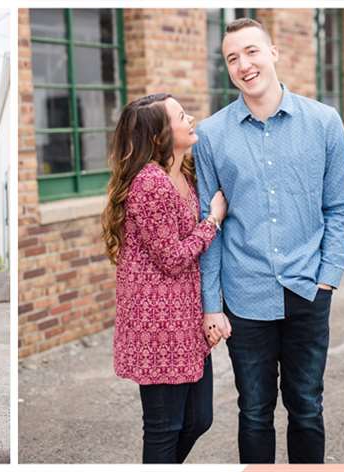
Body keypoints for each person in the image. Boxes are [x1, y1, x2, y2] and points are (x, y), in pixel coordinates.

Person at [193, 18, 344, 464]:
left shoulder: (323, 123)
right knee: (254, 412)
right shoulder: (210, 136)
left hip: (308, 289)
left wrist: (328, 277)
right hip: (245, 297)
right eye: (232, 58)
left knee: (306, 408)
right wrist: (211, 304)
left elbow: (340, 208)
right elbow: (213, 226)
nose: (244, 64)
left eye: (251, 51)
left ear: (274, 52)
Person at [102, 93, 228, 463]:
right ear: (159, 135)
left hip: (185, 322)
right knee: (164, 427)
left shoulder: (183, 175)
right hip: (156, 327)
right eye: (181, 116)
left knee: (199, 419)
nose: (191, 120)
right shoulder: (150, 184)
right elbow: (172, 258)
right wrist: (213, 221)